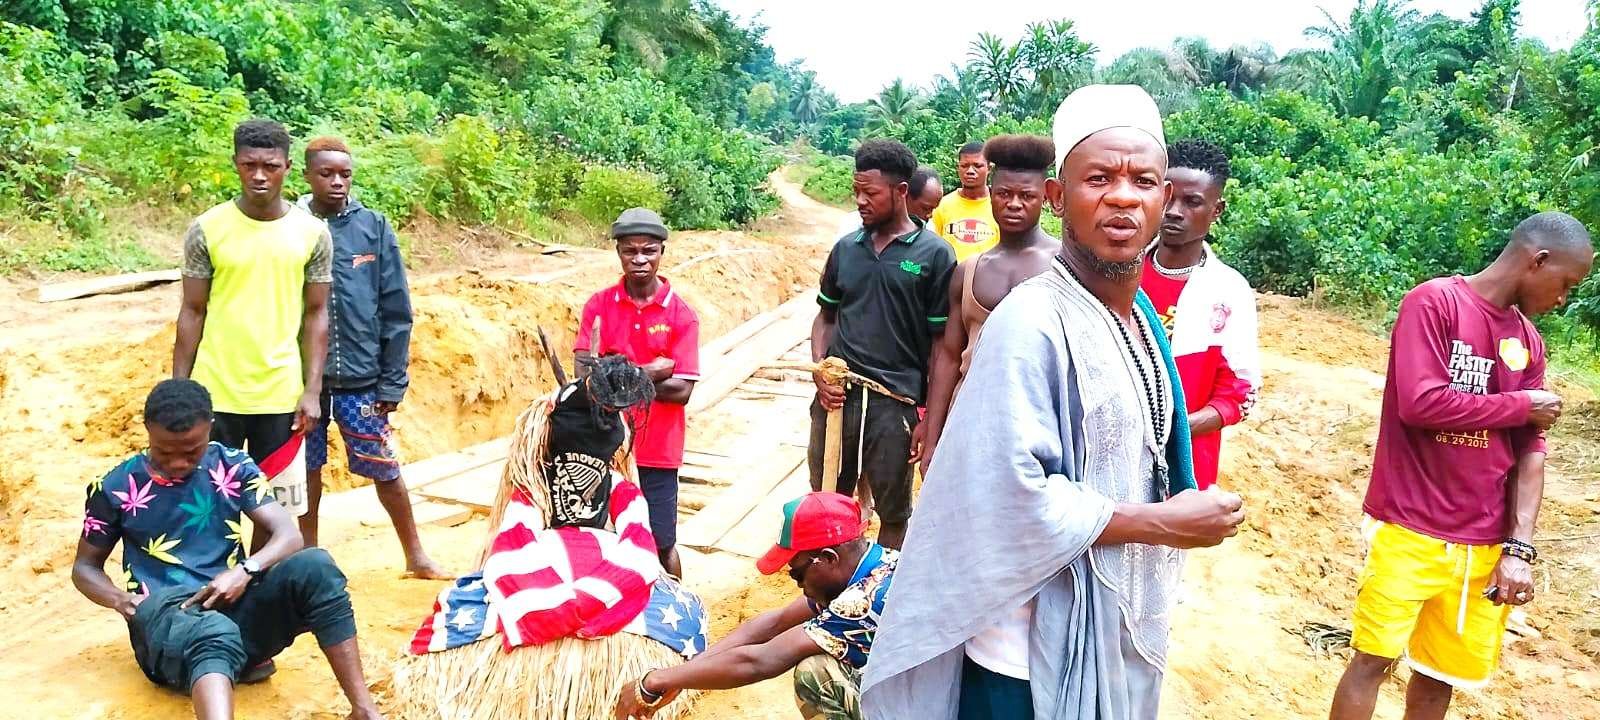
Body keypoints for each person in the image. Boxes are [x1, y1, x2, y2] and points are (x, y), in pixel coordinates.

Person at [861, 85, 1246, 720]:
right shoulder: (1031, 320)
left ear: (1162, 198)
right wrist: (1164, 523)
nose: (1123, 196)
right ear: (1059, 197)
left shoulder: (1139, 320)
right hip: (1024, 657)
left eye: (1142, 181)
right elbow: (1008, 492)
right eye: (1100, 178)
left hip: (1103, 631)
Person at [1328, 213, 1593, 720]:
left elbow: (1530, 451)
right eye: (1565, 284)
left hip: (1484, 544)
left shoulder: (1529, 343)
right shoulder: (1434, 303)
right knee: (1372, 662)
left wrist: (1519, 548)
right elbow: (1420, 403)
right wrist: (1520, 405)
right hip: (1408, 528)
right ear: (1538, 261)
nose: (1563, 300)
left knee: (1438, 680)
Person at [71, 379, 384, 720]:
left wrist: (245, 571)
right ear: (147, 430)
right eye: (164, 452)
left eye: (191, 452)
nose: (178, 463)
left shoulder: (231, 465)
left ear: (210, 428)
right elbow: (85, 568)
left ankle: (363, 710)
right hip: (167, 622)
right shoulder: (115, 486)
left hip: (230, 605)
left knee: (316, 565)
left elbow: (288, 535)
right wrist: (123, 601)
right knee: (212, 630)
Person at [294, 136, 447, 580]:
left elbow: (396, 308)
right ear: (306, 175)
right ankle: (308, 563)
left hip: (361, 380)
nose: (337, 182)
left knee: (384, 467)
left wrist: (392, 380)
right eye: (326, 174)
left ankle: (416, 556)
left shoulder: (373, 227)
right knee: (306, 474)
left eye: (345, 174)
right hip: (302, 382)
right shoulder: (291, 227)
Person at [174, 118, 332, 547]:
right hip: (216, 391)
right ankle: (215, 584)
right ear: (236, 164)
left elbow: (316, 314)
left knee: (274, 508)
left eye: (271, 166)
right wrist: (180, 389)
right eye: (249, 165)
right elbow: (192, 310)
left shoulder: (312, 233)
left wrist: (312, 390)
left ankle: (259, 585)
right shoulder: (207, 229)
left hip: (280, 395)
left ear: (287, 168)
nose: (259, 175)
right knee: (208, 503)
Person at [612, 492, 895, 720]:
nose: (799, 585)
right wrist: (683, 676)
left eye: (797, 573)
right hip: (913, 690)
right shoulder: (878, 562)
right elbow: (774, 623)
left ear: (829, 558)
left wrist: (654, 680)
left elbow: (758, 662)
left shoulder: (860, 602)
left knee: (815, 675)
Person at [810, 139, 956, 550]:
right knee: (827, 503)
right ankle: (835, 582)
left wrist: (929, 419)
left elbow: (941, 346)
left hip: (895, 406)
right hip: (837, 402)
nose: (860, 201)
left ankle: (880, 584)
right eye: (856, 191)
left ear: (901, 191)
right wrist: (821, 369)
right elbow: (825, 318)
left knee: (894, 512)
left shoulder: (934, 256)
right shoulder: (846, 249)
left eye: (870, 193)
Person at [915, 134, 1061, 475]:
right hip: (970, 421)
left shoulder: (1065, 267)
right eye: (1004, 194)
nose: (1014, 204)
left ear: (1045, 197)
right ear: (991, 194)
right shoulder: (968, 273)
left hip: (1040, 427)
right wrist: (933, 439)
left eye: (1027, 196)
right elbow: (949, 357)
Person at [575, 208, 700, 578]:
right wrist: (652, 371)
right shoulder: (598, 306)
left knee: (661, 542)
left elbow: (681, 390)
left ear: (662, 252)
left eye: (649, 251)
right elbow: (584, 374)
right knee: (599, 537)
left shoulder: (681, 314)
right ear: (618, 252)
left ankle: (675, 604)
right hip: (603, 446)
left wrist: (614, 373)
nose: (640, 259)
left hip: (658, 449)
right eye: (630, 251)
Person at [1139, 139, 1261, 490]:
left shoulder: (1228, 291)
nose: (1174, 212)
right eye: (1168, 198)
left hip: (1185, 472)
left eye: (1192, 202)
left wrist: (1174, 431)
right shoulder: (1119, 272)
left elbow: (1238, 393)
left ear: (1217, 209)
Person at [930, 141, 1000, 262]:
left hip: (989, 273)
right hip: (950, 273)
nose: (970, 171)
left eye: (977, 166)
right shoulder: (942, 205)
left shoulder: (1000, 205)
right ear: (958, 168)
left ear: (989, 168)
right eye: (965, 166)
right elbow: (932, 246)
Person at [837, 165, 943, 236]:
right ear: (904, 194)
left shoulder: (929, 232)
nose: (930, 215)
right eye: (926, 208)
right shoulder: (853, 225)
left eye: (933, 209)